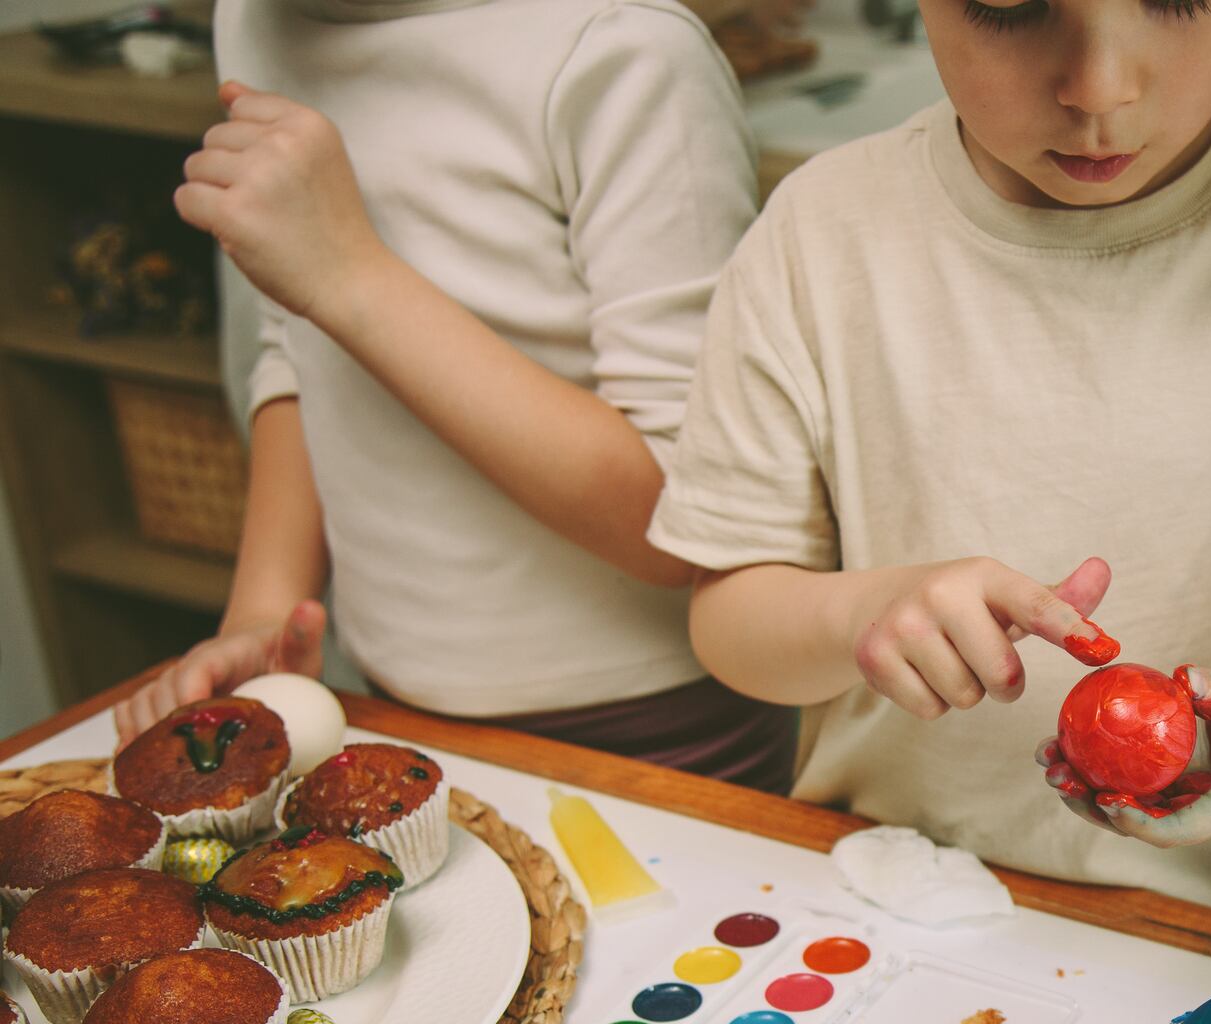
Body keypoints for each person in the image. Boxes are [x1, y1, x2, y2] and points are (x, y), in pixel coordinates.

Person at [646, 0, 1211, 937]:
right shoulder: (821, 231)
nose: (1100, 89)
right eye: (1010, 6)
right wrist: (863, 613)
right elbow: (729, 618)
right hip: (879, 907)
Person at [114, 0, 795, 788]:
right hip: (391, 701)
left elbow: (682, 516)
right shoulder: (261, 19)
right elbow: (296, 339)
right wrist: (264, 613)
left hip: (650, 727)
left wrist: (348, 275)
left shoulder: (621, 52)